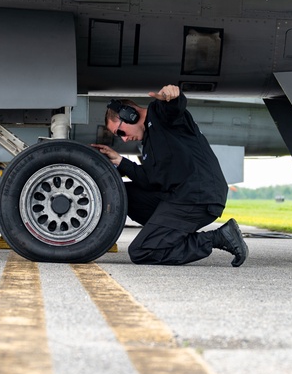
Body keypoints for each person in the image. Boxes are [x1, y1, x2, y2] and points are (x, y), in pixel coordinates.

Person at [91, 84, 249, 266]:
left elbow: (174, 108)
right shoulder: (149, 145)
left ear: (130, 115)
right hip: (179, 196)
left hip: (197, 197)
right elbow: (150, 181)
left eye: (121, 132)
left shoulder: (159, 114)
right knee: (121, 194)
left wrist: (173, 96)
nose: (124, 139)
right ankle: (171, 233)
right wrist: (119, 161)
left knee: (142, 251)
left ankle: (218, 238)